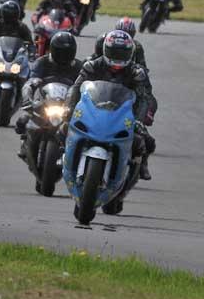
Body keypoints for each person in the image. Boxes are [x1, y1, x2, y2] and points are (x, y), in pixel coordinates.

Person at [65, 30, 157, 186]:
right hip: (94, 111)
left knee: (145, 141)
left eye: (122, 53)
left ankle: (139, 167)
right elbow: (75, 88)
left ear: (130, 53)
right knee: (62, 128)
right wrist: (69, 108)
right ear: (106, 50)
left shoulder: (137, 73)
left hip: (124, 115)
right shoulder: (92, 66)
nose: (117, 57)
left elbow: (144, 98)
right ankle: (60, 157)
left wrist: (140, 120)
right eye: (114, 52)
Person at [15, 31, 82, 162]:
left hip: (67, 105)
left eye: (67, 52)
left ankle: (77, 158)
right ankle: (26, 144)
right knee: (23, 120)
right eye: (60, 52)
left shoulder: (79, 67)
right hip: (45, 101)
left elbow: (85, 88)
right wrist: (27, 99)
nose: (63, 56)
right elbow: (30, 82)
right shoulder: (42, 62)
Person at [0, 1, 33, 99]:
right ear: (3, 13)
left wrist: (32, 52)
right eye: (8, 13)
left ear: (17, 14)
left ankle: (25, 95)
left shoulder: (22, 27)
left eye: (12, 13)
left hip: (17, 54)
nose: (10, 16)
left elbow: (30, 42)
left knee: (28, 72)